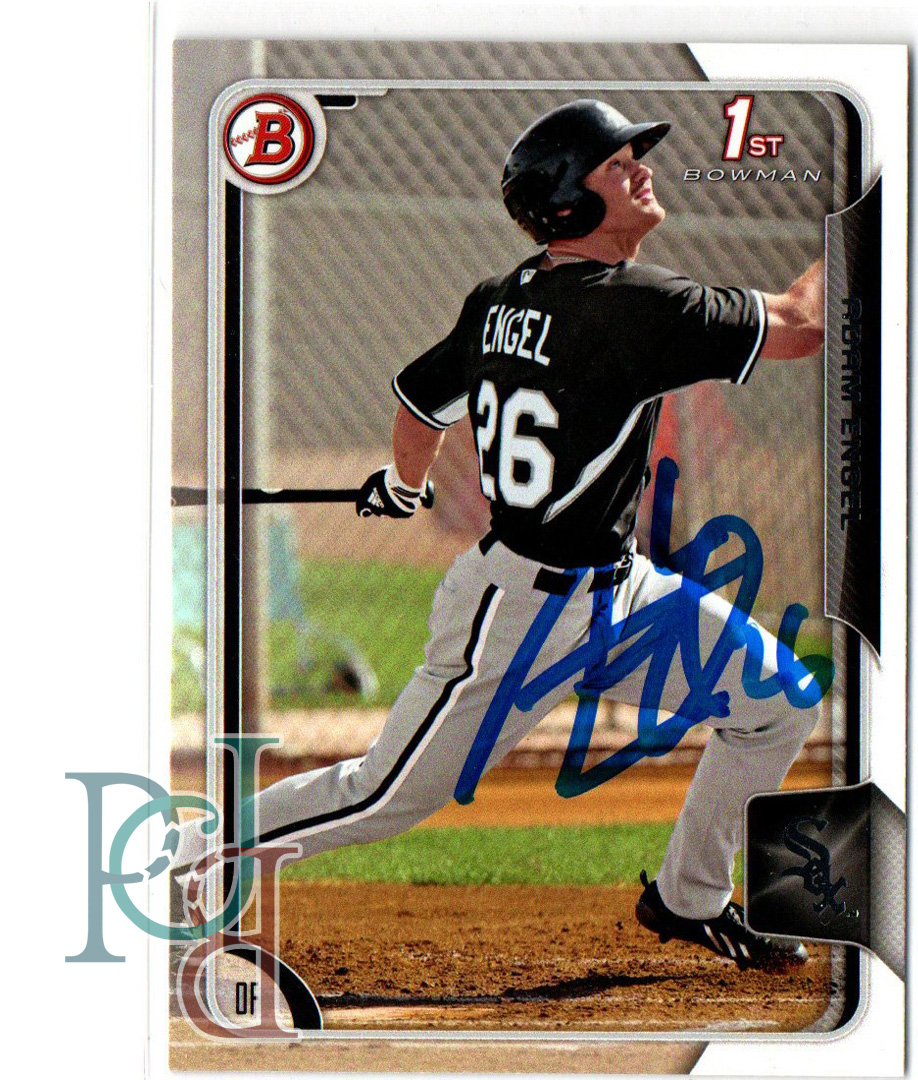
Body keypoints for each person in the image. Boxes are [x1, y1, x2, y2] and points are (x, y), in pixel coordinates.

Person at [179, 99, 827, 971]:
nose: (640, 169)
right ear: (569, 202)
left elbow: (419, 401)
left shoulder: (501, 298)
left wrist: (404, 483)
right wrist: (861, 229)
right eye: (615, 164)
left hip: (619, 590)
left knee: (777, 701)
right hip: (517, 616)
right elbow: (802, 325)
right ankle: (192, 858)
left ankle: (689, 898)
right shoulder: (638, 305)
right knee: (383, 795)